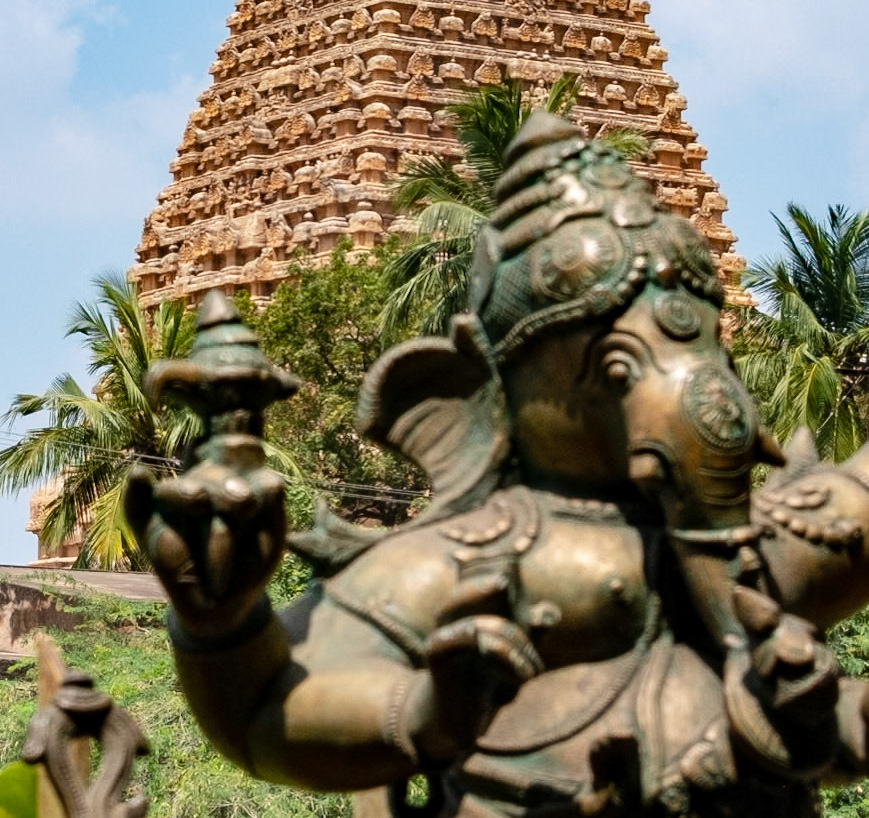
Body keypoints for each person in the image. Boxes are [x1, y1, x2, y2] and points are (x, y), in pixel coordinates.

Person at [127, 113, 869, 818]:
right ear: (500, 384)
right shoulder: (459, 563)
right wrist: (225, 624)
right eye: (613, 366)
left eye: (702, 347)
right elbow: (268, 710)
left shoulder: (757, 547)